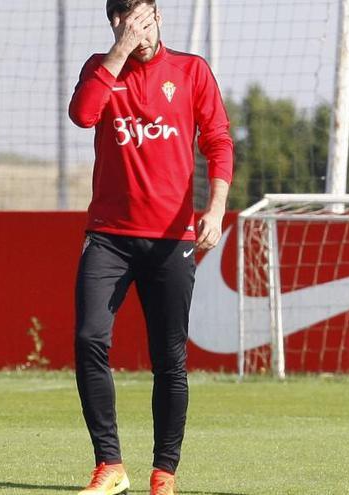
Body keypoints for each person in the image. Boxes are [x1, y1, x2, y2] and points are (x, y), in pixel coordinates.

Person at [68, 1, 233, 494]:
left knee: (170, 358)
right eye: (121, 20)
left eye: (140, 18)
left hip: (172, 239)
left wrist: (217, 205)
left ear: (158, 17)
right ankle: (110, 465)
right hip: (108, 236)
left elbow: (219, 139)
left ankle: (164, 473)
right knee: (88, 339)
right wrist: (119, 51)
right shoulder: (100, 69)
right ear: (113, 23)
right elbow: (82, 115)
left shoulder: (191, 70)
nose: (133, 28)